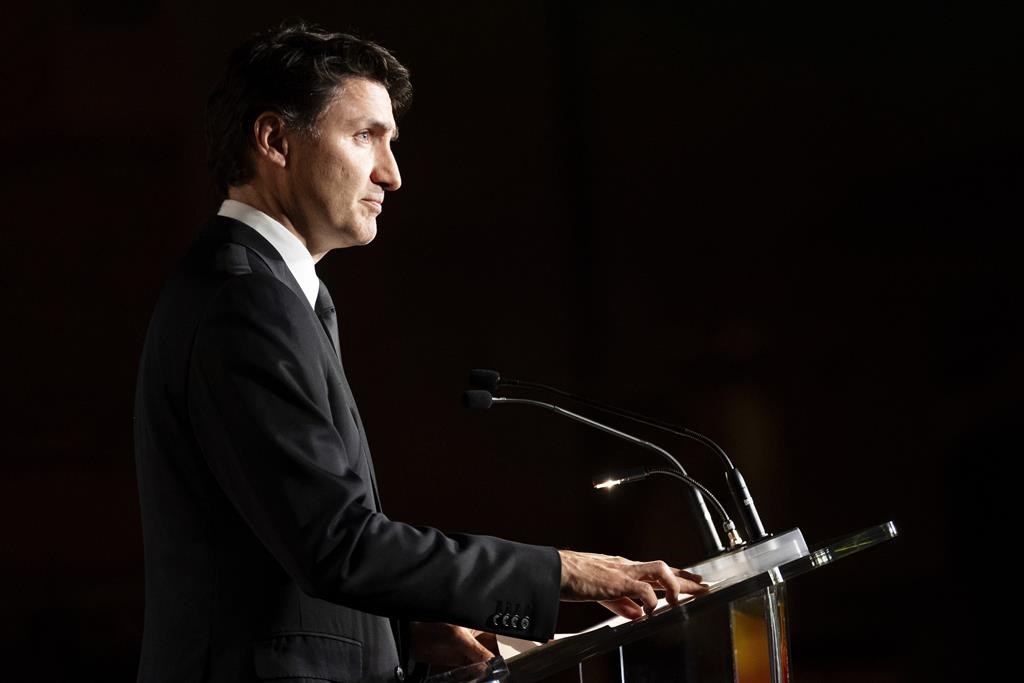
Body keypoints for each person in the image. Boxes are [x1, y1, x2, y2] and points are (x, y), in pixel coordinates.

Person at [133, 20, 706, 683]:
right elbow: (337, 544)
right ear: (274, 140)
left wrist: (405, 630)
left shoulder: (269, 292)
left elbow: (275, 545)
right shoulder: (245, 300)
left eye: (391, 142)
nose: (392, 174)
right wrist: (562, 571)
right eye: (364, 136)